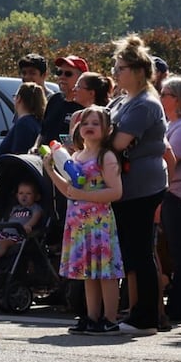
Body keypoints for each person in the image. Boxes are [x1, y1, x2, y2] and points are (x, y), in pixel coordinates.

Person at [107, 34, 169, 335]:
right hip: (126, 186)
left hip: (143, 186)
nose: (115, 73)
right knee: (131, 252)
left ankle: (146, 318)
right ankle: (135, 312)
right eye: (115, 67)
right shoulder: (123, 99)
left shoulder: (145, 104)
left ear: (139, 71)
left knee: (141, 252)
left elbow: (117, 142)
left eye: (120, 68)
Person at [45, 106, 123, 334]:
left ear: (107, 130)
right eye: (85, 123)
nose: (89, 127)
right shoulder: (76, 156)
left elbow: (116, 192)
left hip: (100, 223)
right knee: (88, 272)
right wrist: (51, 171)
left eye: (96, 123)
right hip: (79, 223)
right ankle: (91, 316)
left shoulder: (106, 157)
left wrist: (84, 196)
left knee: (105, 273)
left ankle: (109, 318)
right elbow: (69, 190)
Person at [158, 76, 181, 323]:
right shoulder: (171, 125)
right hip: (171, 196)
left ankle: (178, 306)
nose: (161, 96)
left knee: (179, 253)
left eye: (165, 93)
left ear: (178, 99)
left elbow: (172, 161)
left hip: (178, 197)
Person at [0, 180, 44, 271]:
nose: (24, 196)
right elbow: (8, 219)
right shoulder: (15, 208)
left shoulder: (35, 207)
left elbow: (36, 216)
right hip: (5, 232)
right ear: (17, 195)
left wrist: (28, 226)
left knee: (3, 243)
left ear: (37, 197)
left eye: (28, 193)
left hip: (19, 234)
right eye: (21, 193)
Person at [37, 55, 86, 146]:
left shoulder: (85, 106)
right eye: (59, 72)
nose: (62, 77)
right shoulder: (54, 99)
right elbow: (43, 132)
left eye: (68, 74)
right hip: (44, 156)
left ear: (81, 78)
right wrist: (35, 147)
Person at [1, 83, 47, 156]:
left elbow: (19, 156)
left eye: (15, 97)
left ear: (18, 98)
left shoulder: (23, 123)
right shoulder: (37, 122)